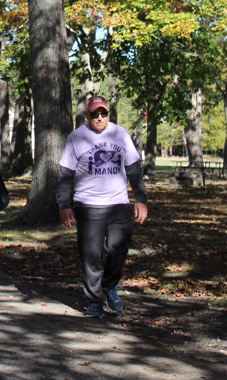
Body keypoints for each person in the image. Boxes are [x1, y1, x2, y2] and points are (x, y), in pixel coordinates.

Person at [57, 95, 149, 318]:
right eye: (95, 114)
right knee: (90, 253)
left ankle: (109, 286)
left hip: (118, 203)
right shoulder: (77, 137)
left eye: (103, 113)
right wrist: (64, 205)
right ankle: (94, 300)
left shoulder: (120, 134)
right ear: (87, 115)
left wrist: (141, 199)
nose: (99, 117)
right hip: (88, 204)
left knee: (119, 247)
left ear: (108, 113)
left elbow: (133, 169)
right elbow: (65, 174)